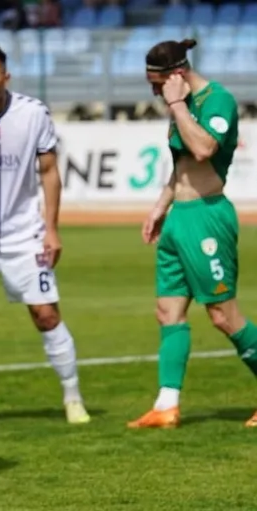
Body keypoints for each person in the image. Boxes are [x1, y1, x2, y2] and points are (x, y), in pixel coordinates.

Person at [0, 45, 90, 425]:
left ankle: (73, 397)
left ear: (5, 77)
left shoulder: (33, 113)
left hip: (24, 234)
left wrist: (52, 228)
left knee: (46, 314)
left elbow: (50, 172)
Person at [128, 39, 257, 429]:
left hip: (207, 218)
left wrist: (177, 105)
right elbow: (182, 167)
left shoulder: (217, 100)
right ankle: (166, 406)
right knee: (168, 311)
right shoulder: (179, 104)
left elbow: (203, 149)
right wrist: (160, 207)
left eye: (157, 84)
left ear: (177, 74)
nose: (154, 92)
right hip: (179, 219)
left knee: (222, 315)